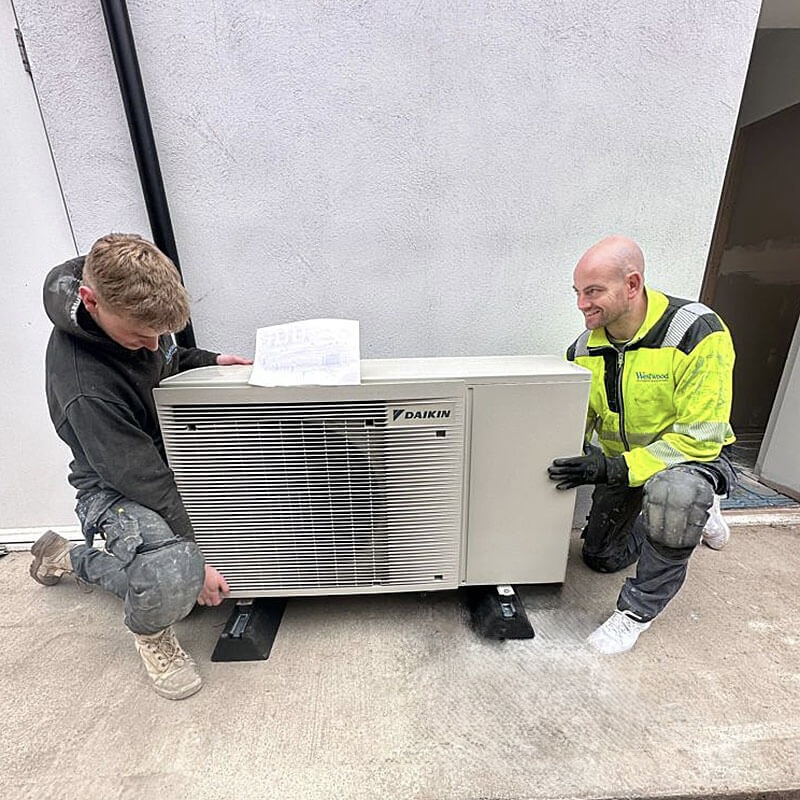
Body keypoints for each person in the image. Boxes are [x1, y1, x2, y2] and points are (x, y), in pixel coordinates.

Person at [30, 233, 252, 699]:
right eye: (140, 336)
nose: (152, 345)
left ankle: (69, 556)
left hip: (155, 453)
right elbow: (139, 477)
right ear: (90, 301)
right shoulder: (84, 387)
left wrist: (209, 362)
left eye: (159, 334)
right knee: (175, 574)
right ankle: (149, 633)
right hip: (112, 484)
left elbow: (163, 358)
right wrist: (198, 560)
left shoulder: (128, 300)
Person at [547, 235, 736, 655]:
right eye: (578, 292)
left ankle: (635, 613)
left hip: (689, 462)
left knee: (676, 495)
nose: (582, 304)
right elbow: (578, 424)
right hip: (628, 467)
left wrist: (612, 470)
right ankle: (673, 523)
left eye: (593, 292)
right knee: (599, 557)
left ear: (632, 285)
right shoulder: (584, 350)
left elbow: (701, 437)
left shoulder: (694, 332)